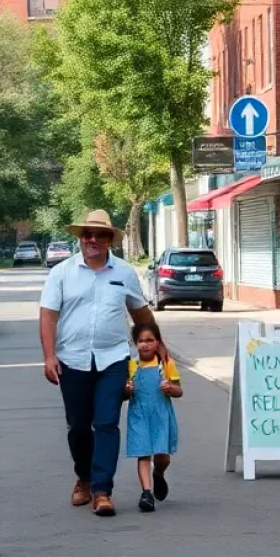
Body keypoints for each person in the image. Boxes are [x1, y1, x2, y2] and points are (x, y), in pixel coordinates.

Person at [39, 209, 157, 517]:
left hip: (113, 358)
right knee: (78, 426)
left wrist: (158, 348)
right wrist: (49, 356)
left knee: (106, 422)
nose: (93, 240)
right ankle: (84, 477)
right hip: (72, 359)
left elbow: (140, 313)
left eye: (100, 235)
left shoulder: (124, 272)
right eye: (87, 234)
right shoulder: (62, 272)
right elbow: (48, 316)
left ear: (109, 240)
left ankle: (102, 490)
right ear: (80, 238)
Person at [124, 321, 182, 513]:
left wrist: (170, 388)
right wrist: (127, 390)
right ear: (135, 343)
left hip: (160, 414)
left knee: (162, 456)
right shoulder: (131, 365)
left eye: (149, 340)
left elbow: (179, 391)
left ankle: (158, 473)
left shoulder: (166, 364)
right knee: (143, 453)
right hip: (139, 414)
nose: (145, 345)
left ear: (158, 343)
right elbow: (124, 393)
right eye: (140, 341)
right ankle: (146, 493)